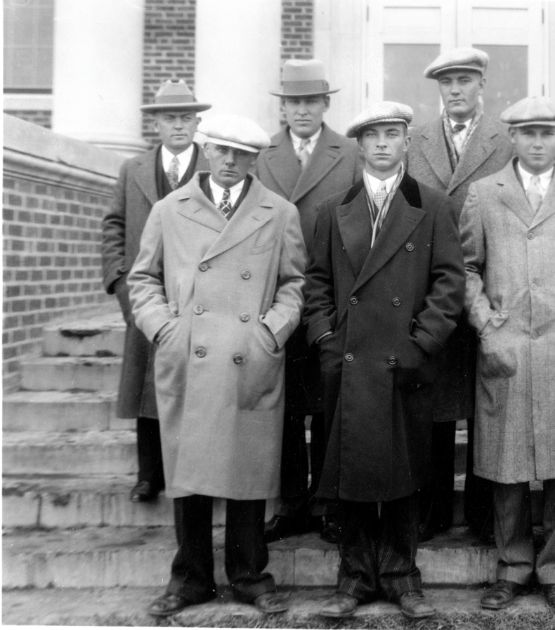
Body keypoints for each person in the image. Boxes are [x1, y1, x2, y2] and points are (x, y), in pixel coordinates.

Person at [129, 115, 306, 617]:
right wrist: (164, 328)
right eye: (222, 150)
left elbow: (295, 283)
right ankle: (190, 578)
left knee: (248, 467)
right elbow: (142, 279)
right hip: (190, 352)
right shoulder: (170, 209)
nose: (231, 161)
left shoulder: (279, 212)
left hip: (249, 354)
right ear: (207, 151)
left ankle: (249, 576)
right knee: (189, 470)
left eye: (242, 154)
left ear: (256, 159)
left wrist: (271, 331)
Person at [304, 102, 465, 620]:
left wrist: (422, 343)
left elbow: (449, 282)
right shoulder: (333, 209)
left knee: (404, 470)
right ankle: (353, 578)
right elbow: (317, 282)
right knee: (352, 470)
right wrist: (326, 338)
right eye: (371, 135)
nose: (381, 143)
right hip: (349, 360)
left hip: (404, 358)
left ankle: (402, 577)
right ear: (359, 144)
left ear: (407, 142)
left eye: (391, 134)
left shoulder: (432, 205)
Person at [460, 97, 555, 613]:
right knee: (506, 463)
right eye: (527, 133)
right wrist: (486, 323)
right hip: (507, 342)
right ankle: (512, 567)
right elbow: (466, 267)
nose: (536, 142)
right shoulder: (484, 193)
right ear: (512, 137)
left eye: (547, 133)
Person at [407, 47, 513, 542]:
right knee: (433, 398)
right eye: (446, 82)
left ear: (481, 84)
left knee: (487, 400)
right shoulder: (416, 141)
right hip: (430, 287)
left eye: (464, 80)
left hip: (489, 284)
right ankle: (430, 512)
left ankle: (483, 514)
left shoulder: (505, 140)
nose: (455, 90)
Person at [256, 59, 361, 544]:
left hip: (329, 295)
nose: (302, 110)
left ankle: (328, 504)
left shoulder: (350, 152)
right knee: (283, 406)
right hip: (274, 292)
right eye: (294, 102)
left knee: (327, 403)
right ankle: (291, 503)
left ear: (325, 105)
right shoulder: (263, 153)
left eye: (311, 102)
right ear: (284, 107)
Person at [101, 80, 210, 504]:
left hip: (197, 290)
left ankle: (196, 471)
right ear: (156, 124)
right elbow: (114, 224)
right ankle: (149, 474)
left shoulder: (213, 166)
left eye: (186, 117)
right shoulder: (133, 169)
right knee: (147, 379)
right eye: (169, 118)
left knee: (196, 382)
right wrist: (119, 280)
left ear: (197, 123)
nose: (178, 125)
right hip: (145, 290)